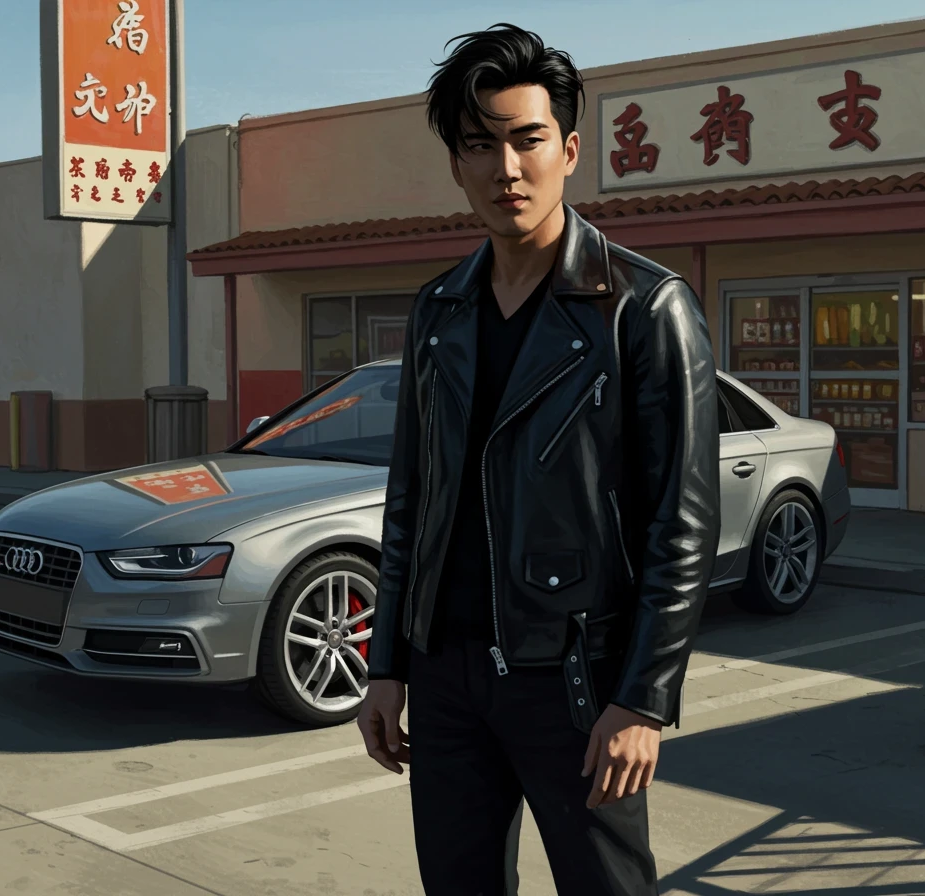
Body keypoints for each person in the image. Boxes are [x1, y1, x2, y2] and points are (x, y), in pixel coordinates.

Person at [356, 23, 720, 896]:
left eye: (526, 140)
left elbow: (685, 519)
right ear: (456, 163)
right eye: (480, 146)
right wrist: (388, 665)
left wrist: (643, 698)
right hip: (445, 676)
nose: (505, 169)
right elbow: (412, 495)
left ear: (569, 148)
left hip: (573, 677)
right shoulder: (437, 310)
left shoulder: (641, 306)